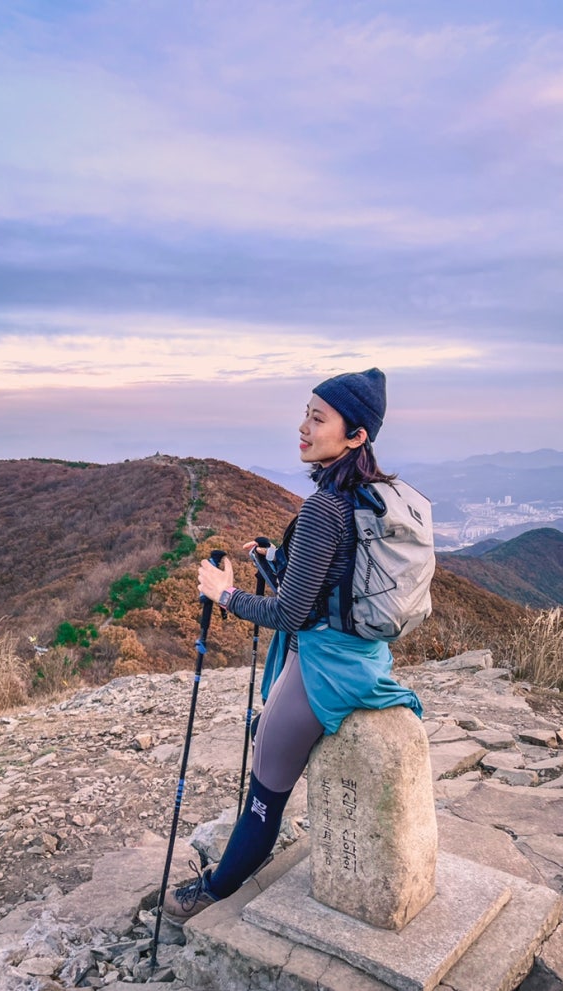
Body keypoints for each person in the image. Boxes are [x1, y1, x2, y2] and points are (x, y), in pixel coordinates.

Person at [163, 367, 422, 922]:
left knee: (266, 793)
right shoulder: (366, 494)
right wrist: (274, 559)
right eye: (306, 412)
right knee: (266, 739)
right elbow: (335, 582)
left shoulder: (324, 509)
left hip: (322, 668)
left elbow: (288, 614)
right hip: (361, 657)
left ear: (355, 436)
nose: (303, 426)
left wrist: (225, 593)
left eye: (318, 417)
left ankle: (214, 891)